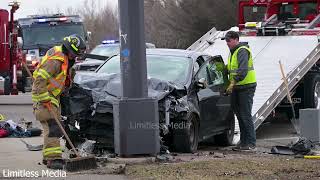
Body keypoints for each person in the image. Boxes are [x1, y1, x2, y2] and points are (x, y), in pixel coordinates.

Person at [32, 34, 86, 169]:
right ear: (68, 49)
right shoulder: (56, 61)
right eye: (74, 54)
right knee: (53, 127)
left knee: (54, 126)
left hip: (52, 97)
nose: (75, 57)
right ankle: (53, 159)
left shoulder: (65, 58)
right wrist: (44, 98)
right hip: (44, 98)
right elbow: (39, 80)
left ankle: (48, 158)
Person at [222, 31, 257, 151]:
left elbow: (242, 70)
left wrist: (232, 82)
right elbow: (233, 68)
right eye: (226, 41)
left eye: (229, 41)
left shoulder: (242, 50)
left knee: (245, 115)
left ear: (236, 39)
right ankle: (243, 142)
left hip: (246, 87)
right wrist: (222, 69)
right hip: (237, 87)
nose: (227, 43)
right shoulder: (233, 52)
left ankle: (251, 143)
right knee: (240, 115)